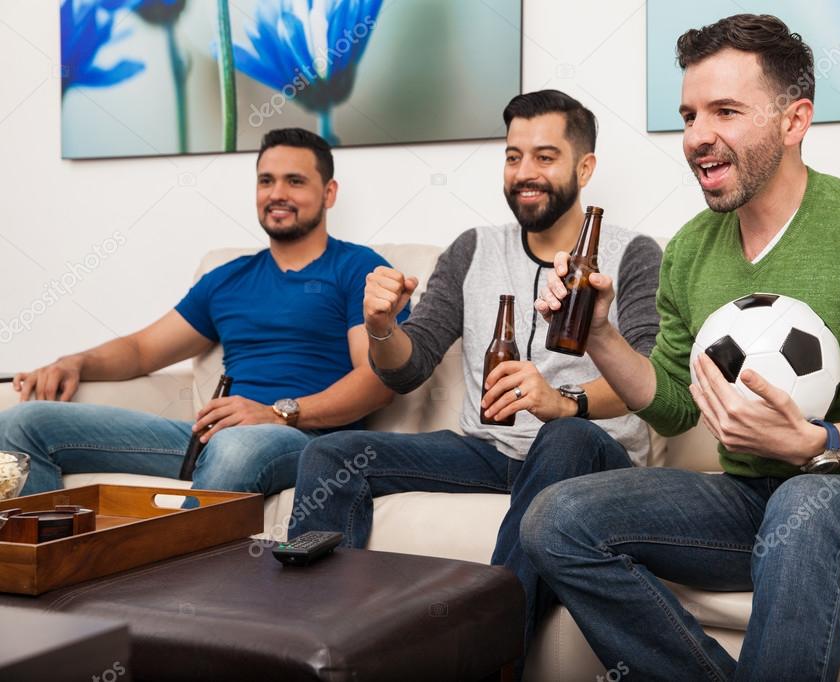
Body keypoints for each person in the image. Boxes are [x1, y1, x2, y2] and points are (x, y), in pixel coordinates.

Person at [525, 15, 840, 681]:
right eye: (689, 114)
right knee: (557, 518)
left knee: (807, 501)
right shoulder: (690, 248)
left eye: (724, 111)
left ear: (792, 121)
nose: (697, 137)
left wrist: (814, 445)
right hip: (750, 499)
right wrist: (600, 334)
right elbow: (670, 406)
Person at [289, 90, 663, 649]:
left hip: (588, 453)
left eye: (544, 156)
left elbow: (647, 382)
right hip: (489, 451)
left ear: (585, 167)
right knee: (330, 453)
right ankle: (315, 641)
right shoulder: (473, 249)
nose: (524, 173)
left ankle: (486, 653)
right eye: (513, 157)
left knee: (563, 436)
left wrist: (563, 402)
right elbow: (406, 369)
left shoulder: (634, 253)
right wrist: (382, 326)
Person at [1, 128, 407, 499]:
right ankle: (46, 567)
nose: (276, 193)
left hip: (303, 438)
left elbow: (377, 382)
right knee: (23, 423)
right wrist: (75, 362)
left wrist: (276, 413)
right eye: (266, 181)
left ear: (329, 193)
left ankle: (177, 573)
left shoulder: (360, 270)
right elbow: (143, 350)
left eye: (294, 181)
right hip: (215, 436)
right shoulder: (226, 279)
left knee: (236, 445)